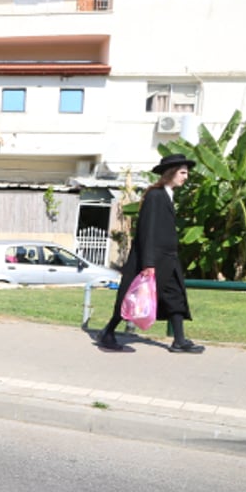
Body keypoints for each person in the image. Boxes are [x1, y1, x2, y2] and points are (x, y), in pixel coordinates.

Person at [97, 152, 204, 354]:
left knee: (175, 297)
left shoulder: (167, 195)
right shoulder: (155, 196)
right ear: (171, 172)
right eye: (183, 172)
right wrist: (148, 263)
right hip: (152, 259)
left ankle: (179, 341)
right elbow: (148, 229)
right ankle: (108, 332)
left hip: (168, 259)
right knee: (133, 297)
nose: (186, 176)